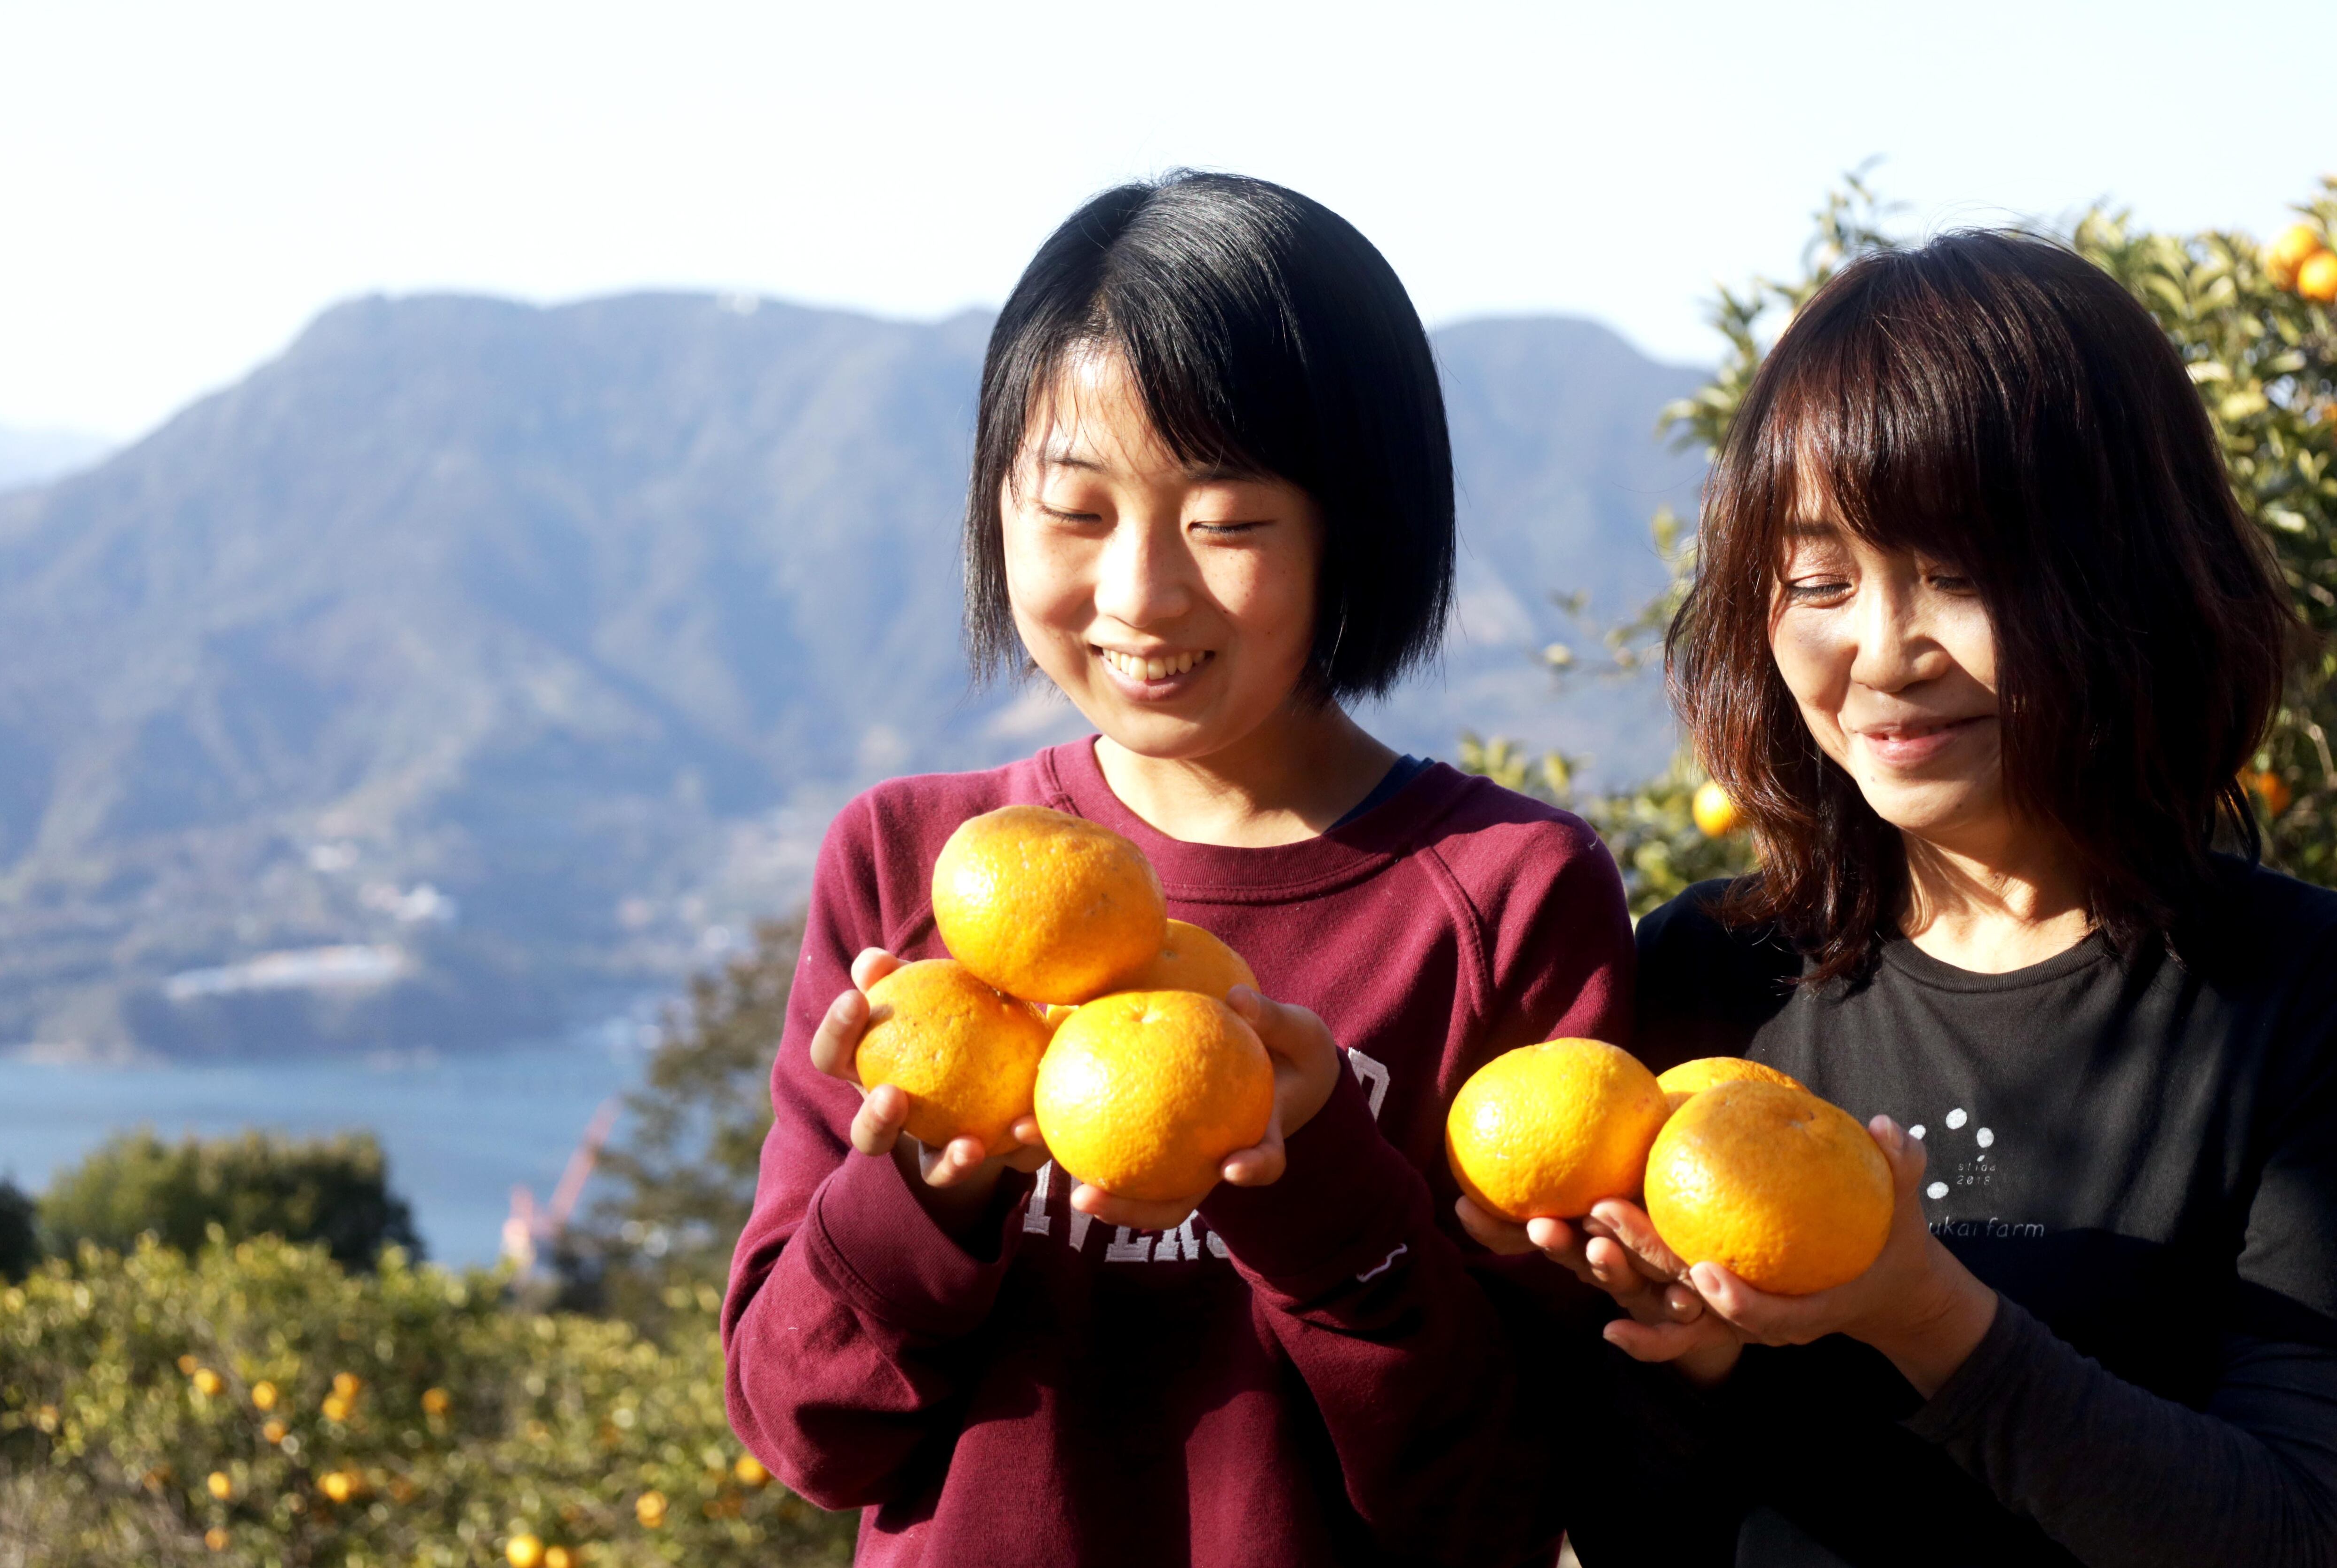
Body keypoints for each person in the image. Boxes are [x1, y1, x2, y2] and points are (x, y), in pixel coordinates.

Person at [720, 172, 1637, 1567]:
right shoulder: (913, 868)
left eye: (1228, 523)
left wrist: (1315, 1181)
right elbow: (804, 1432)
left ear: (1357, 527)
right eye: (1077, 514)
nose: (1142, 594)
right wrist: (923, 1189)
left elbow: (1506, 1498)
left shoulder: (1503, 892)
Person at [1465, 230, 2337, 1566]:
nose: (1882, 653)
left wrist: (1924, 1311)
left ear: (2135, 576)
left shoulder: (2298, 1003)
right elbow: (1624, 1533)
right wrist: (1681, 1365)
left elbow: (2294, 1531)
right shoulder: (1714, 978)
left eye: (1959, 573)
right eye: (1819, 581)